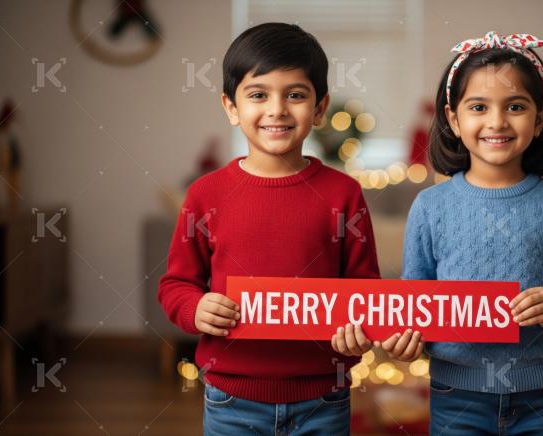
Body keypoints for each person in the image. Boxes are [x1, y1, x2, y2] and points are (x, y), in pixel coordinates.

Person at [158, 22, 380, 435]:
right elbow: (176, 285)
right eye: (258, 95)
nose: (277, 109)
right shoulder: (205, 195)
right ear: (231, 106)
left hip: (323, 398)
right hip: (231, 399)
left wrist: (360, 332)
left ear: (319, 108)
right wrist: (196, 308)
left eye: (295, 95)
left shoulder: (344, 194)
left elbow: (364, 290)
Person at [402, 31, 543, 435]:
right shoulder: (430, 208)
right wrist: (408, 339)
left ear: (540, 118)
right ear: (453, 118)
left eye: (515, 106)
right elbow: (416, 302)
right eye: (478, 106)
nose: (497, 121)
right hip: (456, 395)